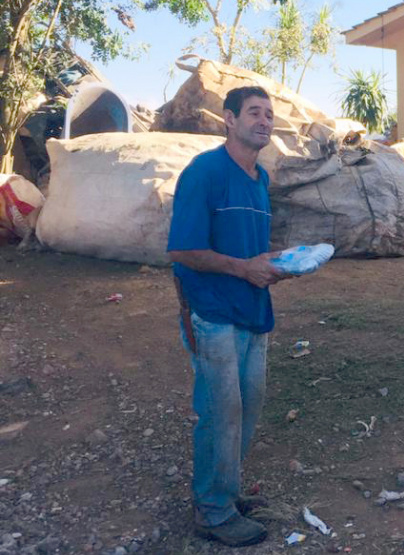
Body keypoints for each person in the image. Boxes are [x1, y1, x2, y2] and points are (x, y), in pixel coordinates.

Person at [167, 86, 288, 547]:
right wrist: (244, 268)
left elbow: (248, 248)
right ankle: (212, 511)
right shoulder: (204, 172)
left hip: (253, 310)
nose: (264, 120)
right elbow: (182, 249)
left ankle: (227, 492)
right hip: (213, 311)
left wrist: (274, 263)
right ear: (230, 119)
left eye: (269, 114)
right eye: (254, 112)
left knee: (247, 407)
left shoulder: (259, 179)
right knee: (220, 412)